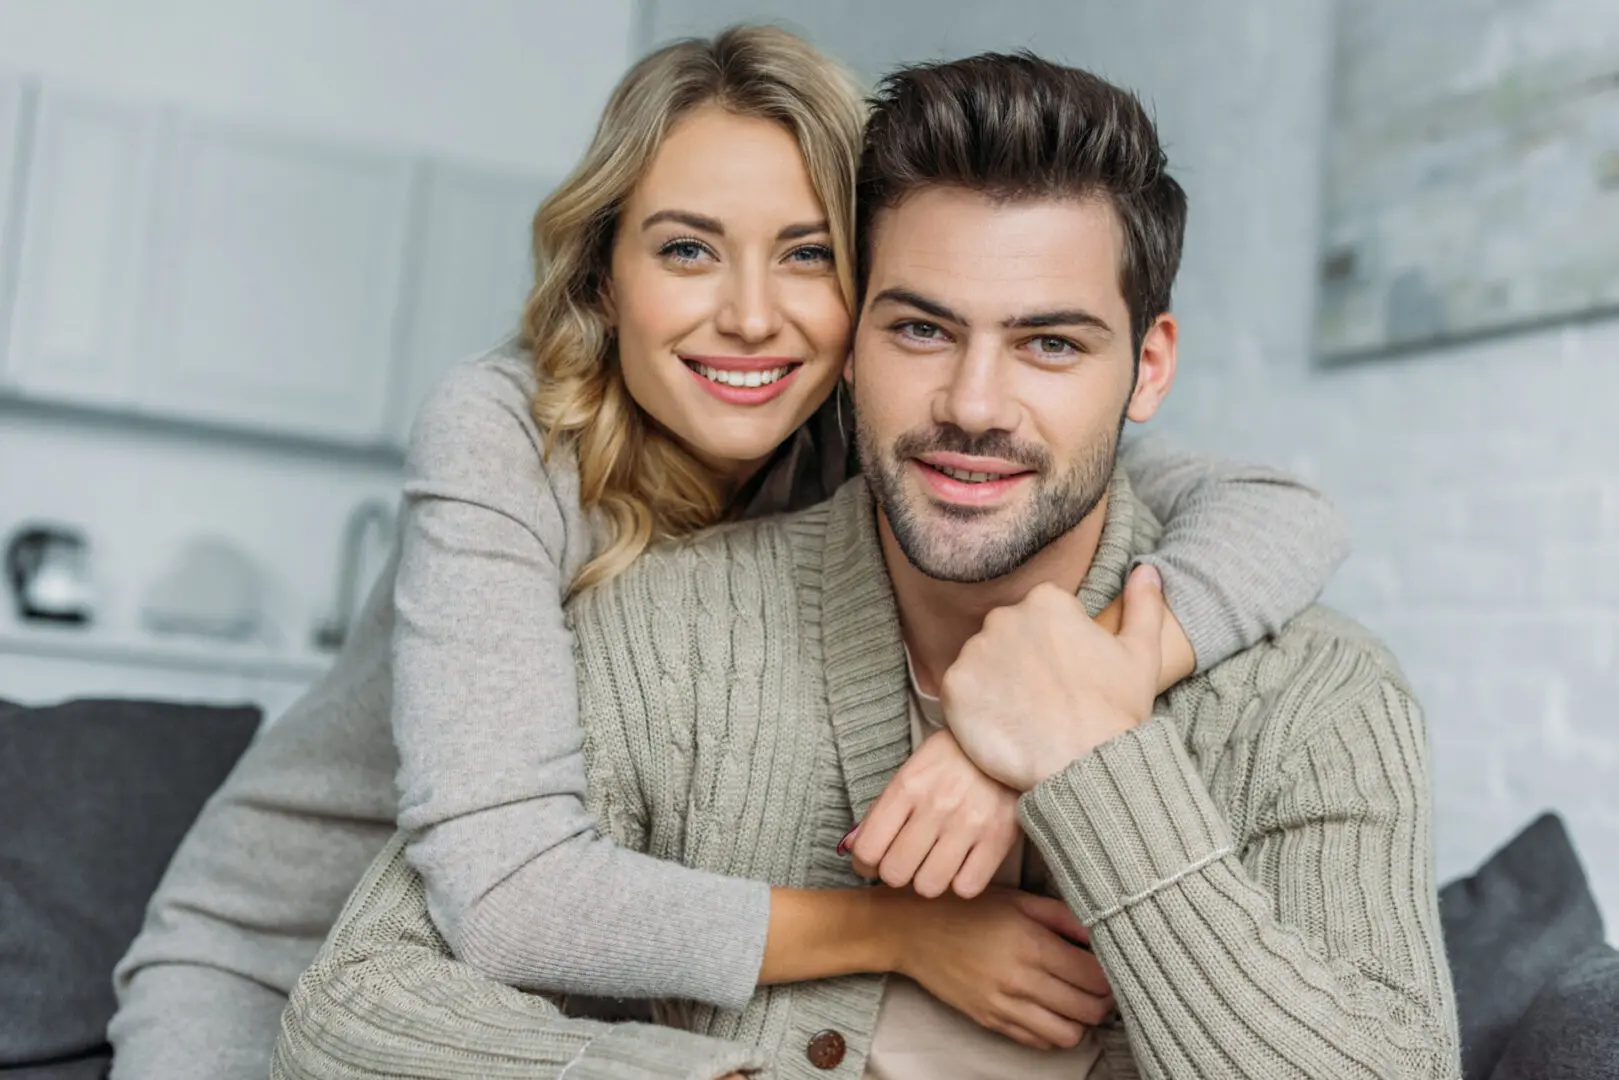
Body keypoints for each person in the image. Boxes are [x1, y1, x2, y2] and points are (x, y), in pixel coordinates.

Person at [111, 29, 1353, 1080]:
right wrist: (900, 934)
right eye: (687, 248)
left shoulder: (873, 437)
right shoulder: (504, 434)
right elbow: (509, 894)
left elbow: (1277, 508)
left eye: (806, 253)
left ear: (865, 304)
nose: (750, 314)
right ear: (605, 276)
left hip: (564, 988)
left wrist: (1043, 718)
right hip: (280, 953)